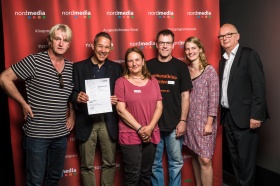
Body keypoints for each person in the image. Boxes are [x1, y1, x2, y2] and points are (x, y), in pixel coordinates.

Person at [0, 24, 75, 185]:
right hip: (37, 135)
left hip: (60, 134)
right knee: (35, 181)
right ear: (49, 41)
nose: (61, 43)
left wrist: (72, 115)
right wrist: (22, 103)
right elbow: (4, 78)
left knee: (53, 179)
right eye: (57, 39)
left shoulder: (70, 67)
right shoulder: (34, 61)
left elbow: (70, 95)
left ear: (69, 44)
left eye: (65, 40)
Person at [218, 23, 269, 186]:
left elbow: (259, 87)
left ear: (237, 36)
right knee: (235, 160)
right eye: (221, 36)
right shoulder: (223, 61)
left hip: (247, 118)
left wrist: (256, 115)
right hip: (228, 118)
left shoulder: (248, 55)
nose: (224, 38)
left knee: (246, 162)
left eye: (228, 34)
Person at [71, 32, 123, 186]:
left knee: (109, 163)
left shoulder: (117, 68)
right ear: (93, 46)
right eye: (100, 46)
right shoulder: (78, 67)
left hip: (108, 121)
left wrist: (117, 99)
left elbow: (122, 93)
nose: (103, 50)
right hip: (86, 121)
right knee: (86, 165)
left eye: (107, 47)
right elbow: (71, 92)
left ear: (110, 48)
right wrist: (77, 97)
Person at [146, 29, 193, 186]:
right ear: (156, 45)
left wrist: (183, 120)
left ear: (173, 45)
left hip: (174, 124)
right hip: (154, 125)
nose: (165, 46)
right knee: (154, 164)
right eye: (162, 43)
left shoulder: (180, 67)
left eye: (168, 43)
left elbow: (185, 96)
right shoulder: (147, 66)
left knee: (175, 163)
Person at [114, 47, 163, 186]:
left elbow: (159, 106)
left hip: (151, 133)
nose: (134, 63)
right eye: (130, 61)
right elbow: (120, 110)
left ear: (143, 61)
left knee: (146, 174)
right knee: (132, 175)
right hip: (130, 134)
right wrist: (141, 129)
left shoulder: (153, 81)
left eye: (137, 60)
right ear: (126, 63)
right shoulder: (121, 82)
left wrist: (150, 128)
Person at [183, 36, 219, 186]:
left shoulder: (209, 70)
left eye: (193, 48)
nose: (190, 51)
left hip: (205, 122)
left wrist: (209, 122)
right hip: (190, 121)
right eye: (187, 49)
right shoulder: (185, 71)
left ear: (200, 49)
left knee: (205, 159)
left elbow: (214, 98)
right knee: (195, 154)